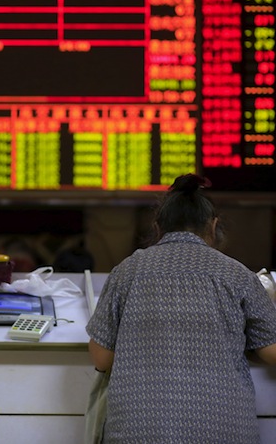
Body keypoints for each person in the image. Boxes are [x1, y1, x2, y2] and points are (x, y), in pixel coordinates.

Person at [86, 173, 276, 443]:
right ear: (213, 225)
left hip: (137, 432)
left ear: (157, 226)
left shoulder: (128, 270)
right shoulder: (237, 274)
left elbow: (101, 358)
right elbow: (271, 350)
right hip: (224, 431)